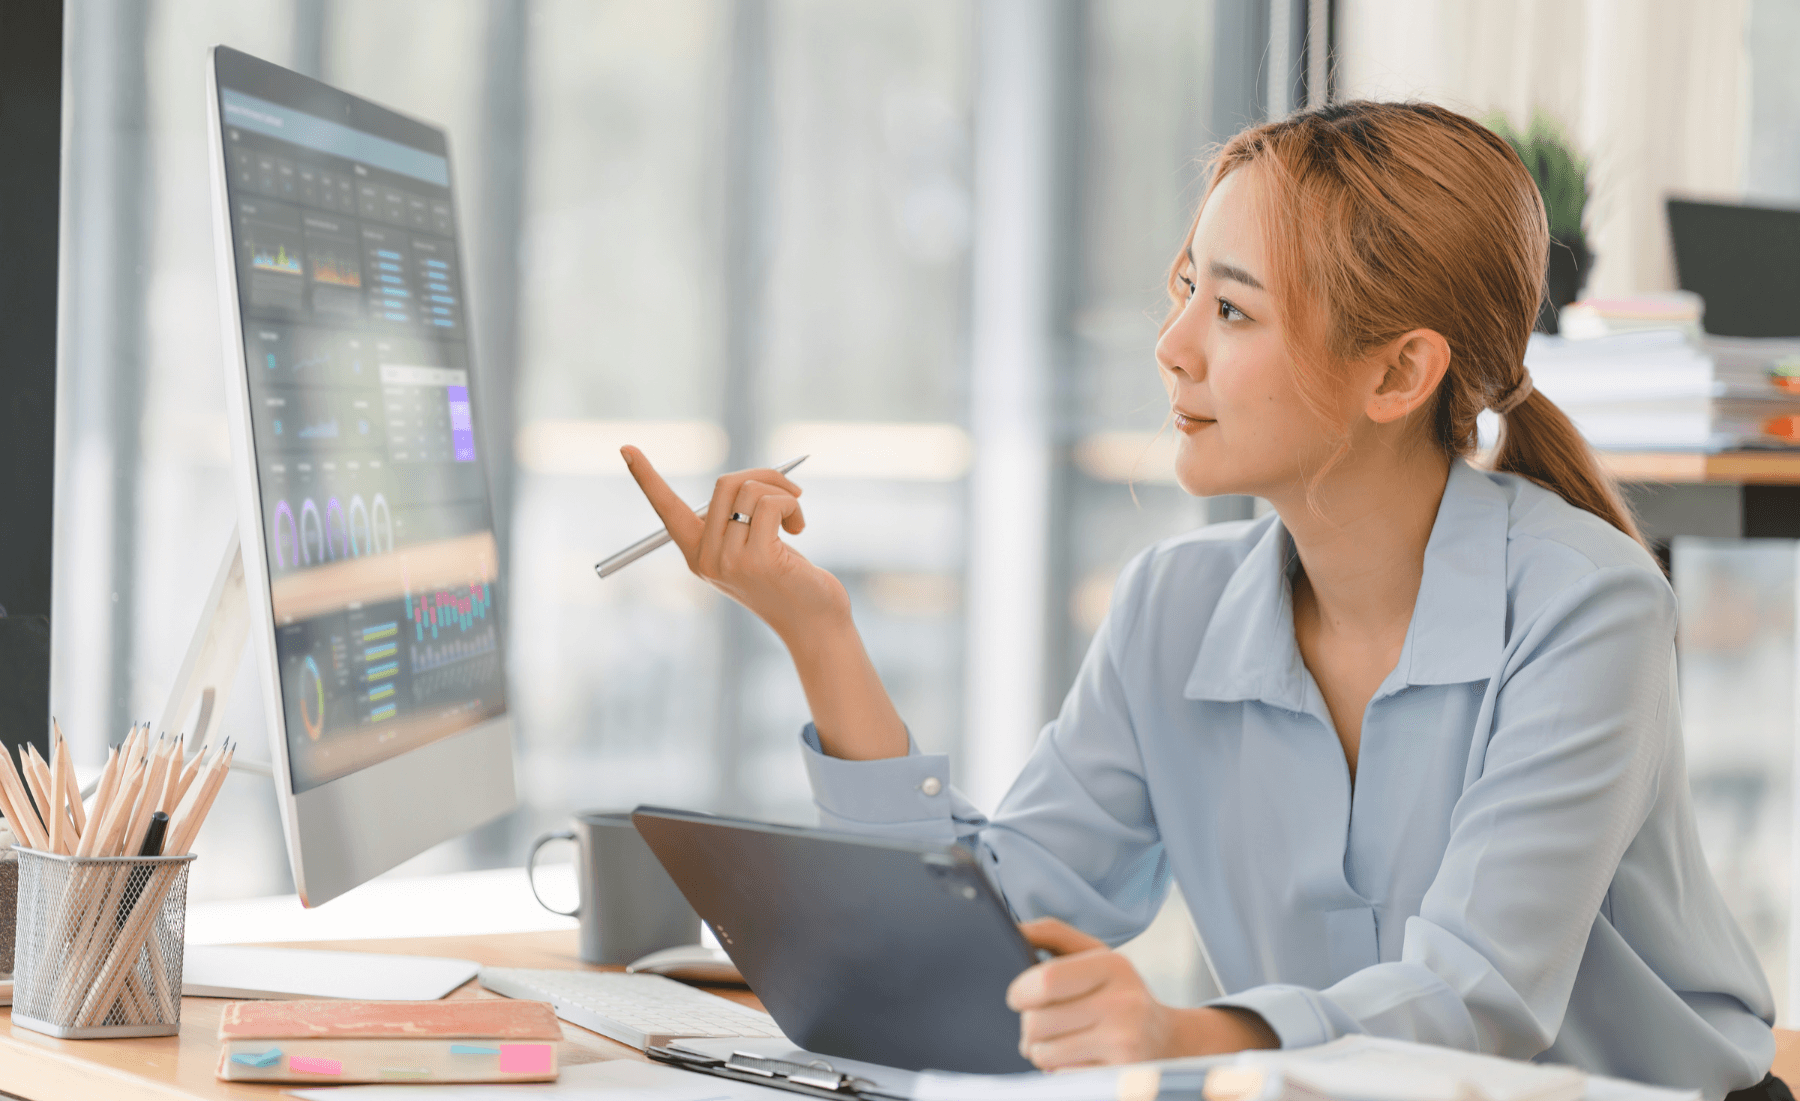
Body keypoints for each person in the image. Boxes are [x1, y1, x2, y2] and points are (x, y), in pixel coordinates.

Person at [622, 101, 1780, 1099]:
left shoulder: (1588, 607)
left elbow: (1476, 997)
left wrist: (1184, 1041)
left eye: (1232, 310)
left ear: (1398, 373)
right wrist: (815, 629)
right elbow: (998, 917)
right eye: (1185, 291)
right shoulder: (1173, 605)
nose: (1172, 347)